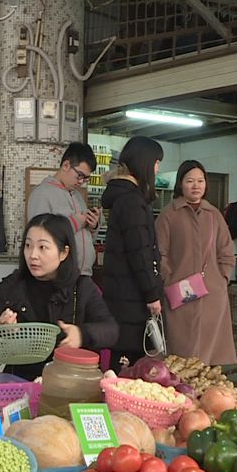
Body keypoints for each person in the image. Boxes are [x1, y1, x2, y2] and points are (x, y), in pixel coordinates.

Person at [0, 213, 119, 381]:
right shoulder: (10, 287)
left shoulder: (82, 287)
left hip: (70, 382)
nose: (33, 255)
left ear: (64, 253)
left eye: (42, 247)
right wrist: (0, 331)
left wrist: (82, 334)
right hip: (21, 381)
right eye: (28, 245)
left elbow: (111, 330)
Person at [155, 159, 237, 365]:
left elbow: (226, 250)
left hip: (212, 295)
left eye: (200, 181)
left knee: (210, 356)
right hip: (180, 293)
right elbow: (158, 253)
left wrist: (222, 278)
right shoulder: (168, 215)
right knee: (180, 355)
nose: (196, 185)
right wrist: (169, 278)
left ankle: (206, 395)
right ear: (180, 183)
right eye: (190, 180)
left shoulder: (214, 215)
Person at [101, 136, 165, 371]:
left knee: (126, 364)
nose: (158, 168)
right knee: (129, 367)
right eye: (157, 162)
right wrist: (152, 294)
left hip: (124, 297)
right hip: (131, 302)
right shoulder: (132, 202)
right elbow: (140, 253)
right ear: (145, 162)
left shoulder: (126, 198)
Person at [26, 142, 100, 276]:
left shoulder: (77, 196)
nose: (81, 181)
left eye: (85, 178)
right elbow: (39, 238)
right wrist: (75, 222)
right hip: (58, 277)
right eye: (80, 175)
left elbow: (85, 238)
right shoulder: (42, 193)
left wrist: (92, 226)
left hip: (84, 275)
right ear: (66, 165)